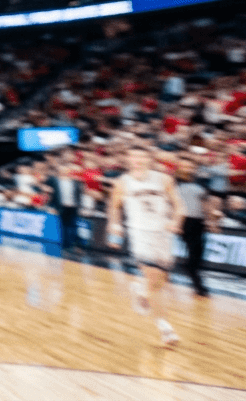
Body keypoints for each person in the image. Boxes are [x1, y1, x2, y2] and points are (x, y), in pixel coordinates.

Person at [107, 145, 185, 347]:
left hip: (162, 233)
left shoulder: (164, 179)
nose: (138, 160)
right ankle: (165, 329)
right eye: (134, 156)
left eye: (142, 156)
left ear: (149, 159)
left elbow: (179, 206)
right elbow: (114, 207)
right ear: (129, 159)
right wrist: (114, 226)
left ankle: (139, 289)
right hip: (139, 233)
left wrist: (176, 221)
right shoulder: (122, 182)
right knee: (153, 281)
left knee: (161, 280)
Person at [174, 162, 210, 297]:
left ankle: (190, 269)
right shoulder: (179, 187)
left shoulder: (191, 187)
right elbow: (206, 203)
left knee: (196, 252)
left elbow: (205, 203)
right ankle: (198, 286)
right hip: (188, 221)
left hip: (194, 222)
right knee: (195, 252)